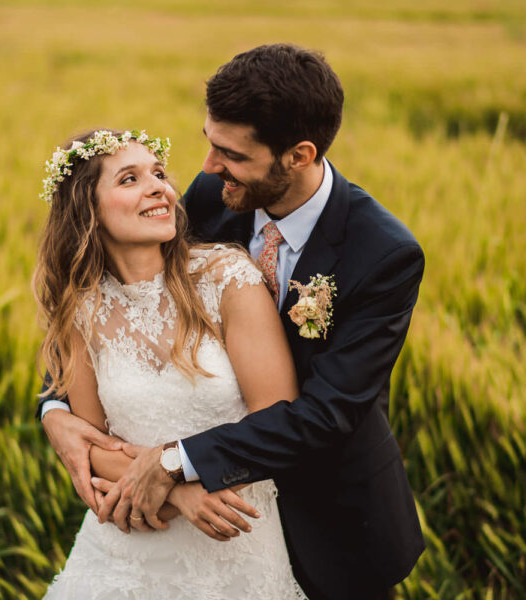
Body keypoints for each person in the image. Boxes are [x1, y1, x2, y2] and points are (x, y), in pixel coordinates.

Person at [40, 44, 426, 599]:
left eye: (232, 154)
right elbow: (120, 308)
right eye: (209, 144)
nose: (207, 169)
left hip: (331, 517)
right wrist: (54, 409)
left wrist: (176, 466)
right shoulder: (211, 198)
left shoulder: (383, 254)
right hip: (181, 529)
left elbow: (325, 412)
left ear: (297, 154)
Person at [34, 128, 306, 598]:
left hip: (235, 540)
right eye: (129, 179)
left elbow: (278, 417)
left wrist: (172, 471)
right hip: (128, 546)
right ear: (88, 212)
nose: (159, 186)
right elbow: (92, 447)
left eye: (159, 173)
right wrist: (179, 491)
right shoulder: (81, 309)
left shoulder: (227, 277)